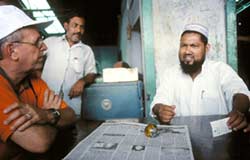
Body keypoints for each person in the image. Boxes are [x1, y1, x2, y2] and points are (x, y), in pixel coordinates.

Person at [0, 5, 76, 159]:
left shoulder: (33, 81)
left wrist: (47, 115)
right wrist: (56, 120)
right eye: (36, 43)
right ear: (12, 51)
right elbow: (39, 142)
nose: (45, 47)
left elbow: (71, 115)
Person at [151, 23, 250, 132]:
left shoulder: (220, 70)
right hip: (181, 137)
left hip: (217, 140)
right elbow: (159, 101)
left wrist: (238, 112)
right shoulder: (170, 74)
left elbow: (240, 93)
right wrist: (160, 109)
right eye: (183, 45)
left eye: (194, 46)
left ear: (206, 48)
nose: (187, 51)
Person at [41, 12, 97, 116]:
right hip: (46, 101)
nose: (78, 30)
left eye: (82, 27)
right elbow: (34, 61)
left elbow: (92, 73)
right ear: (66, 26)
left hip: (71, 105)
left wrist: (82, 81)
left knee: (71, 130)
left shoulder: (86, 50)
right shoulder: (50, 43)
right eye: (75, 26)